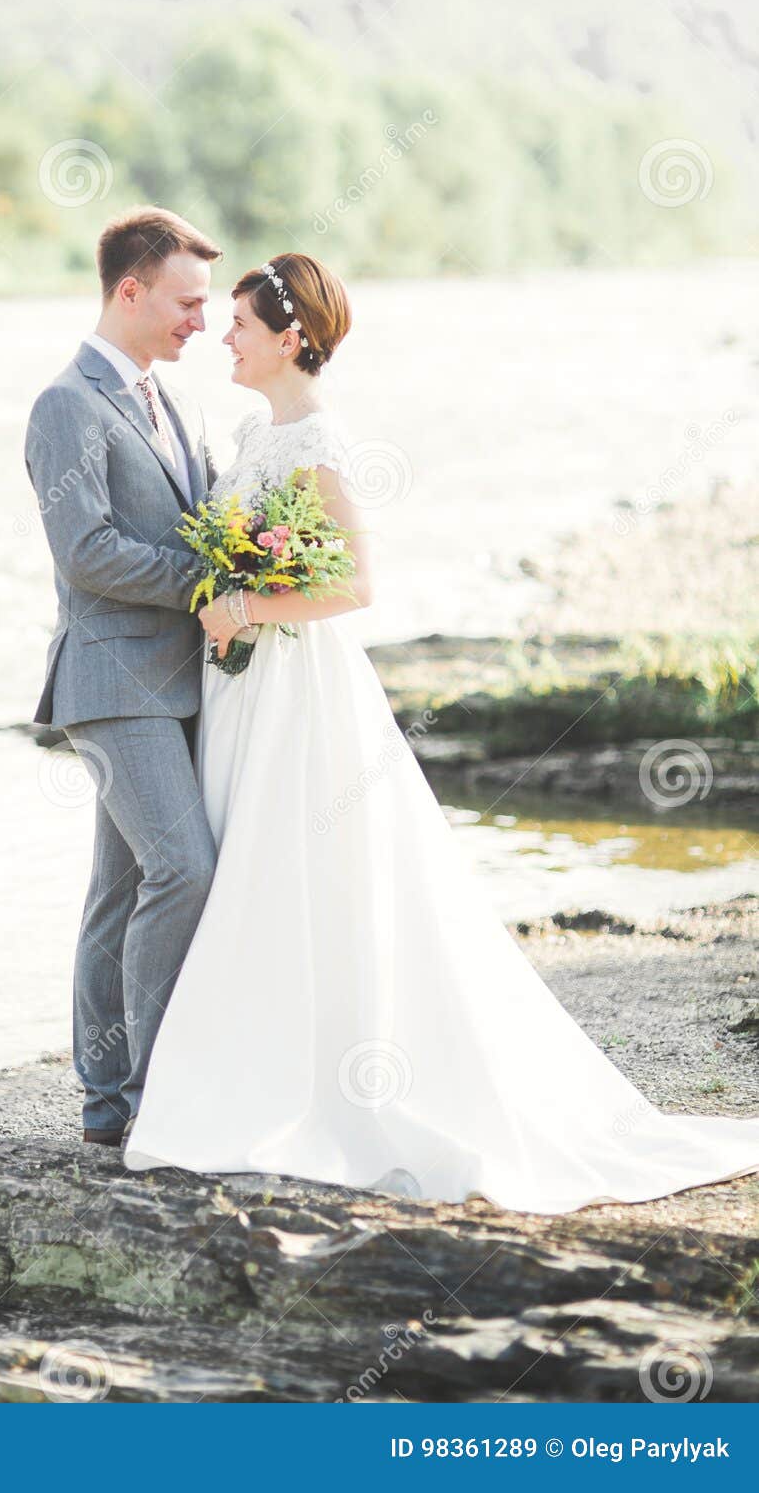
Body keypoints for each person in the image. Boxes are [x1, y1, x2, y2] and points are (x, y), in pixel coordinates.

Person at [121, 251, 759, 1215]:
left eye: (241, 327)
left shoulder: (318, 445)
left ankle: (304, 1080)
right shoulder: (255, 435)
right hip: (244, 690)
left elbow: (354, 589)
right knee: (246, 859)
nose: (225, 338)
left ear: (289, 338)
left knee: (296, 865)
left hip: (297, 689)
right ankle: (249, 1060)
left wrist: (247, 602)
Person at [24, 206, 222, 1145]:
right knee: (184, 870)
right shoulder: (66, 404)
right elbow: (89, 551)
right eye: (186, 302)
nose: (199, 320)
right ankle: (151, 1091)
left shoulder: (165, 397)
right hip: (112, 682)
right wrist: (210, 583)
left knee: (119, 891)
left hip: (181, 679)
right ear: (130, 290)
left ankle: (107, 1101)